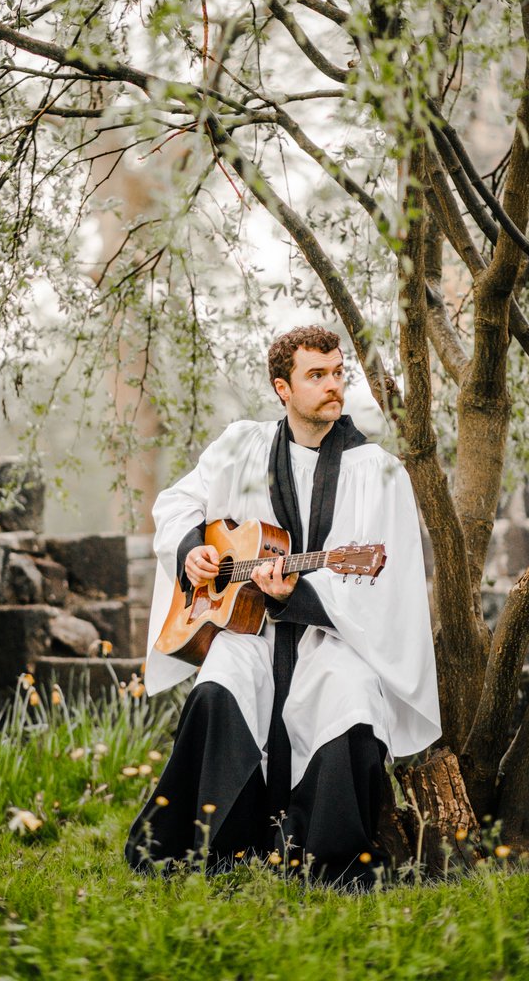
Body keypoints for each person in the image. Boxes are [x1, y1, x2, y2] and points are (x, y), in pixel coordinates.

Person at [125, 326, 440, 886]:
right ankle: (215, 846)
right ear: (282, 387)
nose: (332, 385)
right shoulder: (240, 447)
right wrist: (193, 550)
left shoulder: (377, 471)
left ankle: (328, 861)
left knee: (349, 697)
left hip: (337, 633)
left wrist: (302, 595)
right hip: (251, 630)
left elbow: (387, 588)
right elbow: (176, 502)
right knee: (221, 680)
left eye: (338, 372)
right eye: (316, 375)